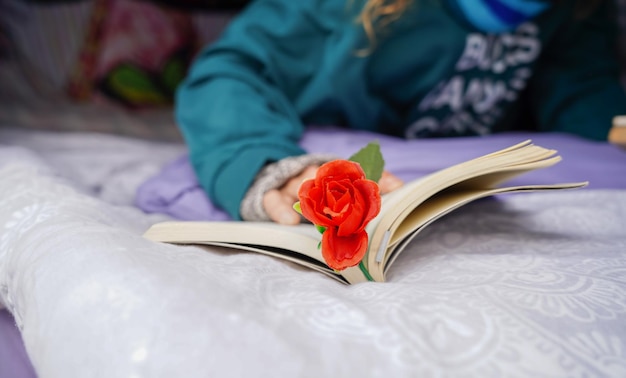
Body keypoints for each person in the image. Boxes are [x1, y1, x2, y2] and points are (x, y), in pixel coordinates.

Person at [175, 0, 626, 225]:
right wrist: (265, 164)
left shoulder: (575, 14)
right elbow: (231, 70)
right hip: (323, 155)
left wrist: (613, 123)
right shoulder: (339, 8)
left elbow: (581, 95)